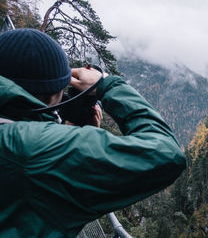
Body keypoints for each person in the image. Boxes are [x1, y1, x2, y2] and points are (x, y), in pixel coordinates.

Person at [0, 29, 186, 237]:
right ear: (56, 93)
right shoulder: (33, 151)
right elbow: (167, 153)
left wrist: (69, 132)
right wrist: (107, 84)